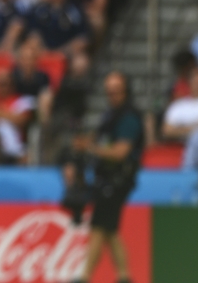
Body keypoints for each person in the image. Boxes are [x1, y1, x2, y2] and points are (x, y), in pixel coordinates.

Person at [73, 71, 144, 283]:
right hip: (107, 178)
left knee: (99, 225)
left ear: (125, 91)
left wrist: (91, 148)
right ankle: (124, 276)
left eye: (116, 91)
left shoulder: (129, 117)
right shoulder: (110, 114)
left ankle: (85, 276)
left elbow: (120, 152)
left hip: (118, 179)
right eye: (109, 92)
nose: (112, 95)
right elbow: (102, 137)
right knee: (110, 228)